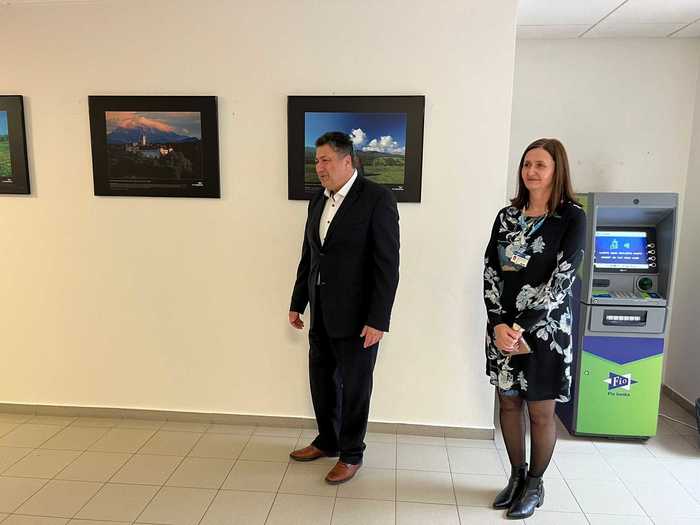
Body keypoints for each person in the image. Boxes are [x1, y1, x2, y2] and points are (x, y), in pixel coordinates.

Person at [288, 131, 400, 484]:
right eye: (316, 161)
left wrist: (378, 319)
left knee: (354, 387)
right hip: (321, 311)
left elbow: (387, 265)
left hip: (359, 317)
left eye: (325, 160)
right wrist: (298, 302)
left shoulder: (377, 198)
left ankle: (351, 453)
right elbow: (310, 255)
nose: (319, 167)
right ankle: (328, 441)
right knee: (321, 381)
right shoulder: (317, 200)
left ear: (347, 161)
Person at [483, 138, 586, 519]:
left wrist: (520, 326)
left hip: (545, 332)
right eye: (527, 164)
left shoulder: (571, 217)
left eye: (540, 165)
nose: (531, 171)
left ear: (557, 170)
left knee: (541, 412)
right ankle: (516, 476)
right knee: (508, 403)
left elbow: (563, 278)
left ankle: (535, 484)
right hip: (502, 330)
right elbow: (491, 271)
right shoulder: (507, 217)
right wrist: (498, 323)